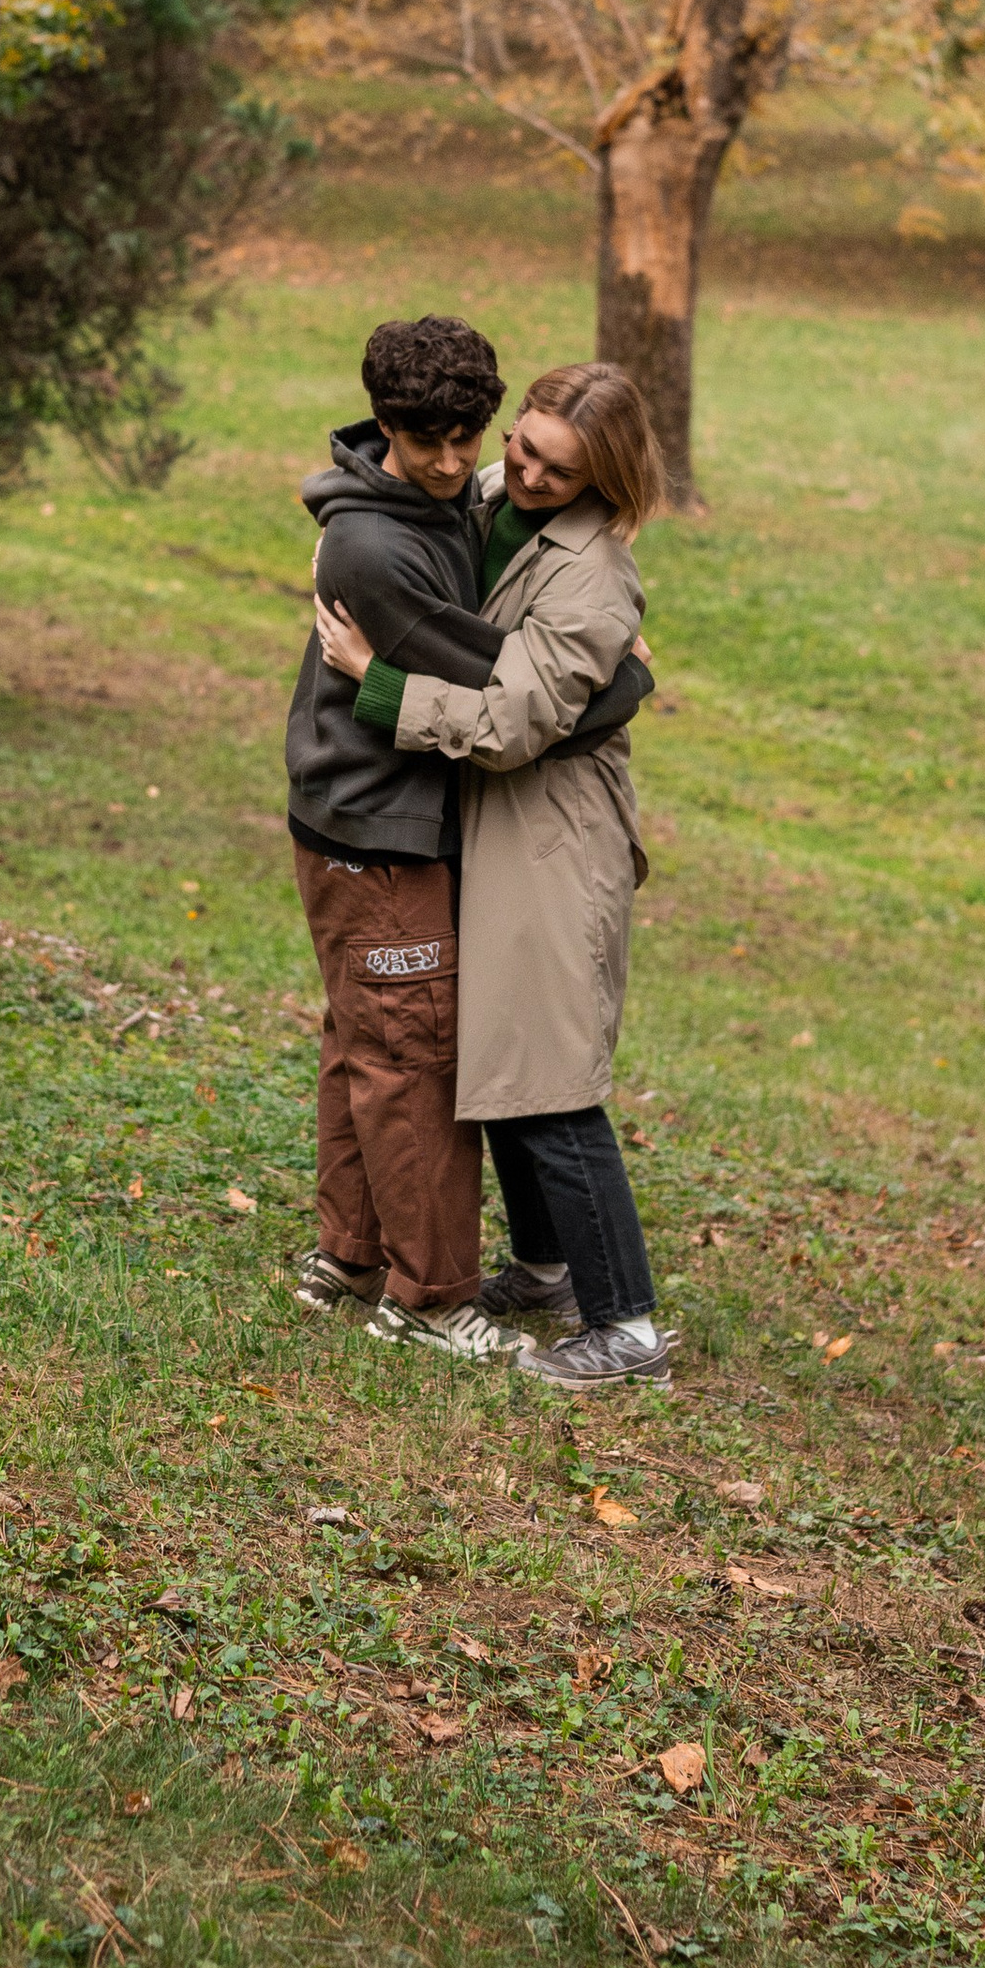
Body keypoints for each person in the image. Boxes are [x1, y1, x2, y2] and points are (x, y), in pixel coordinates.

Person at [285, 316, 649, 1362]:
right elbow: (503, 692)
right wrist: (619, 680)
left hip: (486, 825)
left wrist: (587, 655)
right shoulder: (404, 531)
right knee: (412, 1049)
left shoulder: (478, 513)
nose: (486, 470)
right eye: (518, 451)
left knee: (414, 1045)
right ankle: (432, 1293)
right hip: (397, 821)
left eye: (482, 443)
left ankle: (372, 1261)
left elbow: (522, 689)